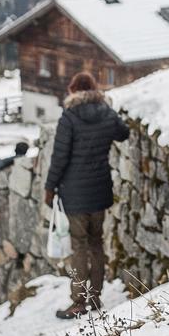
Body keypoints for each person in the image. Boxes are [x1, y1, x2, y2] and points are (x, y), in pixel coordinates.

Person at [44, 71, 130, 319]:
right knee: (96, 242)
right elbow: (123, 133)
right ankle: (95, 296)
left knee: (79, 245)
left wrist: (50, 188)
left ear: (73, 90)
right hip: (100, 189)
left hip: (75, 194)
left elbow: (59, 157)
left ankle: (79, 301)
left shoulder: (69, 117)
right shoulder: (106, 112)